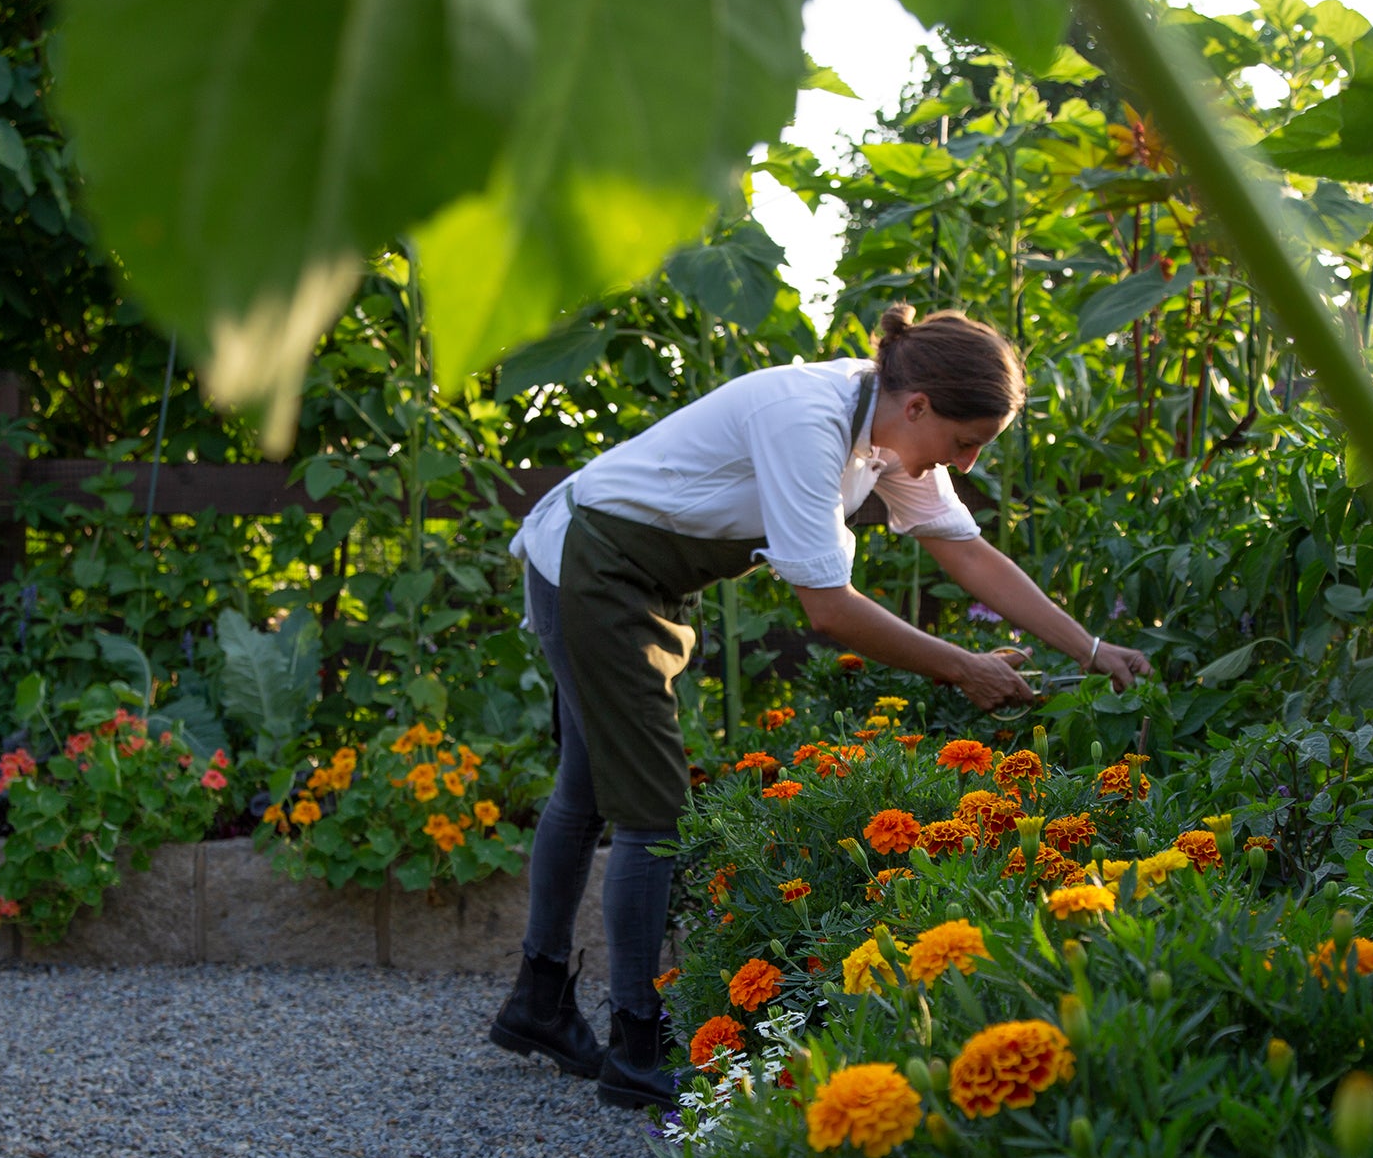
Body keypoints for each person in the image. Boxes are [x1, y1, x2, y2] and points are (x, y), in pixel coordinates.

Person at [488, 304, 1152, 1108]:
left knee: (592, 783)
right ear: (918, 407)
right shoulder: (807, 421)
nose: (967, 462)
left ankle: (539, 1002)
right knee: (650, 808)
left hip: (631, 570)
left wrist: (1090, 649)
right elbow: (829, 611)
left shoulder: (887, 432)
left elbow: (968, 552)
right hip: (591, 564)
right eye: (964, 442)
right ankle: (634, 1048)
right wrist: (961, 668)